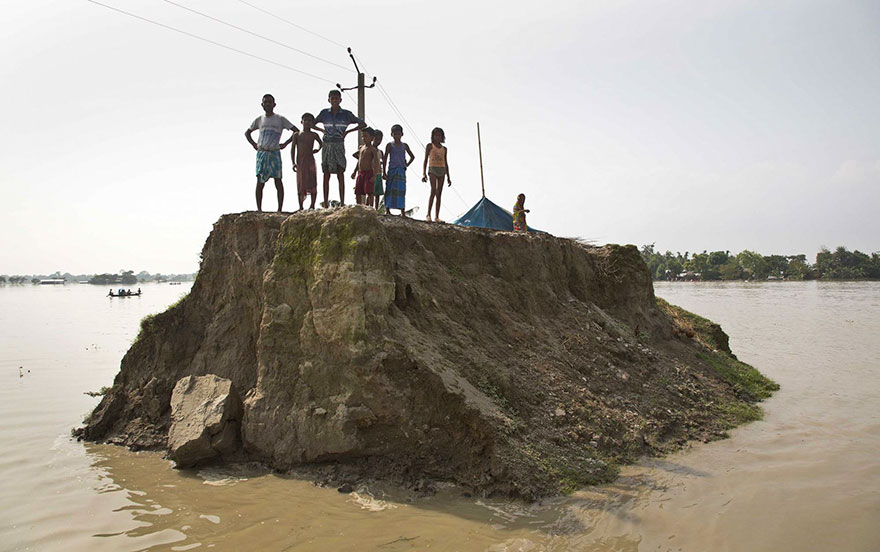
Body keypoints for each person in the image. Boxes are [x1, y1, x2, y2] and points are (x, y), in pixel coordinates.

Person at [245, 94, 298, 212]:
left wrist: (285, 143)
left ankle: (280, 209)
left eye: (270, 102)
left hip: (274, 153)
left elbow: (296, 131)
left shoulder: (280, 119)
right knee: (260, 181)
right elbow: (247, 133)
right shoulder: (259, 119)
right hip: (262, 153)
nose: (268, 104)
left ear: (274, 104)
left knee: (278, 180)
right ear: (262, 105)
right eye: (265, 102)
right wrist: (254, 144)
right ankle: (259, 209)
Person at [314, 90, 365, 207]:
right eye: (332, 98)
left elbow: (362, 124)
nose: (334, 101)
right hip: (327, 144)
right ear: (329, 100)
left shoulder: (346, 114)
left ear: (340, 100)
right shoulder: (324, 113)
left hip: (339, 144)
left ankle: (342, 202)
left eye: (337, 98)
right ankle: (326, 203)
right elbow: (312, 123)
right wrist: (321, 130)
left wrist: (348, 131)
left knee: (340, 172)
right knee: (326, 173)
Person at [291, 113, 323, 210]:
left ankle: (312, 205)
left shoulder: (314, 134)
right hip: (301, 162)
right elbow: (293, 149)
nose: (307, 122)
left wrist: (317, 149)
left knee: (312, 182)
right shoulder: (297, 135)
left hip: (310, 161)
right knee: (301, 184)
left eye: (310, 121)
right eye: (306, 120)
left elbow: (321, 143)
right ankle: (301, 206)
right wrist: (293, 163)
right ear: (302, 122)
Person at [383, 124, 415, 216]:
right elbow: (385, 158)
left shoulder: (405, 146)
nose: (397, 136)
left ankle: (402, 211)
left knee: (401, 190)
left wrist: (406, 165)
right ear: (391, 134)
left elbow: (412, 156)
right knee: (389, 189)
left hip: (401, 170)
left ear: (402, 134)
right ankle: (387, 210)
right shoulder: (389, 145)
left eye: (398, 134)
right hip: (392, 170)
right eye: (395, 134)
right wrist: (384, 172)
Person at [422, 127, 451, 222]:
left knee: (439, 193)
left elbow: (446, 162)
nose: (438, 137)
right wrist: (424, 173)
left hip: (441, 170)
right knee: (433, 190)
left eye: (439, 135)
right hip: (432, 169)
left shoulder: (444, 149)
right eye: (436, 135)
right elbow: (426, 159)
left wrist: (448, 177)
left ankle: (437, 216)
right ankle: (428, 214)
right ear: (433, 136)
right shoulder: (430, 146)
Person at [351, 128, 381, 206]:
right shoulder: (361, 148)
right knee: (358, 191)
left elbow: (377, 163)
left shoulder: (372, 150)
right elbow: (359, 161)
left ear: (371, 138)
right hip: (361, 173)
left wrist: (375, 176)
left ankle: (370, 207)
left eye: (366, 136)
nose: (364, 138)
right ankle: (359, 207)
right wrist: (354, 172)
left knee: (370, 192)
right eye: (362, 136)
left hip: (369, 172)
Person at [371, 130, 385, 209]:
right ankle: (369, 207)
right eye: (376, 139)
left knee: (377, 193)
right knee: (370, 192)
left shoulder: (380, 152)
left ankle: (376, 209)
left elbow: (383, 161)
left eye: (380, 140)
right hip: (370, 172)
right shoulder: (368, 149)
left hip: (378, 173)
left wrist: (384, 173)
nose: (378, 141)